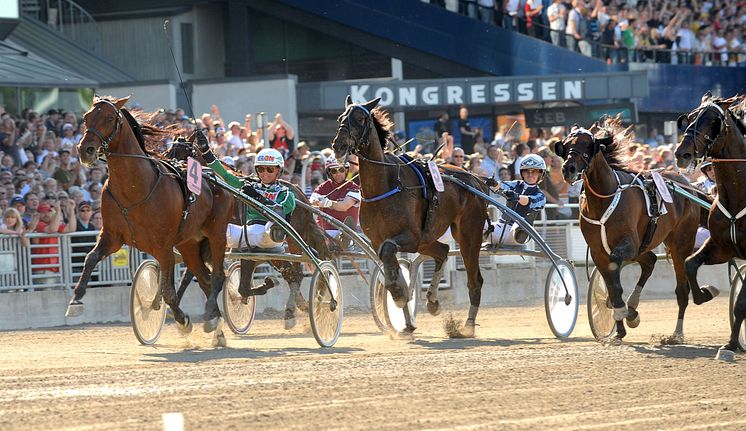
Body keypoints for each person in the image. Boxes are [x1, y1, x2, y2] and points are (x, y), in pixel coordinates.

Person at [196, 133, 295, 251]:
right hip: (247, 233)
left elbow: (279, 212)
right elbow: (225, 176)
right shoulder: (249, 186)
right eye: (261, 169)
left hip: (270, 235)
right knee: (216, 228)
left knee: (274, 226)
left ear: (279, 171)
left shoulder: (286, 193)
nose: (265, 173)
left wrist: (257, 197)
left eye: (270, 169)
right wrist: (206, 152)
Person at [485, 154, 546, 246]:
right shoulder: (515, 184)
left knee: (520, 224)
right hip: (498, 228)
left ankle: (522, 232)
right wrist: (493, 183)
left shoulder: (540, 195)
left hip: (516, 235)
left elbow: (529, 200)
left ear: (541, 174)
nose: (530, 175)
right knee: (480, 219)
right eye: (526, 171)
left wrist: (517, 197)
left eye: (534, 172)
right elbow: (500, 186)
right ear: (522, 173)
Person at [310, 156, 361, 244]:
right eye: (334, 171)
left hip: (347, 233)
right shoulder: (323, 187)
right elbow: (312, 201)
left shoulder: (353, 187)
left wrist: (328, 203)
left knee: (343, 238)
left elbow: (344, 206)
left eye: (341, 170)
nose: (338, 173)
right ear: (329, 173)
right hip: (324, 232)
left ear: (346, 170)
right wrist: (317, 201)